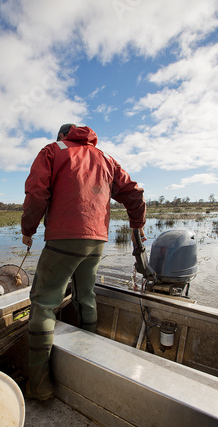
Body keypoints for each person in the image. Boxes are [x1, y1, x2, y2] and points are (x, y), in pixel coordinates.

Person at [21, 124, 146, 400]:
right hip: (97, 240)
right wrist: (137, 225)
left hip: (64, 238)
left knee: (43, 305)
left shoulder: (52, 151)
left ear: (62, 137)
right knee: (85, 297)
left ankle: (39, 384)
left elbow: (36, 193)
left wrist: (28, 230)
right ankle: (90, 364)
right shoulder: (106, 159)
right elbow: (135, 193)